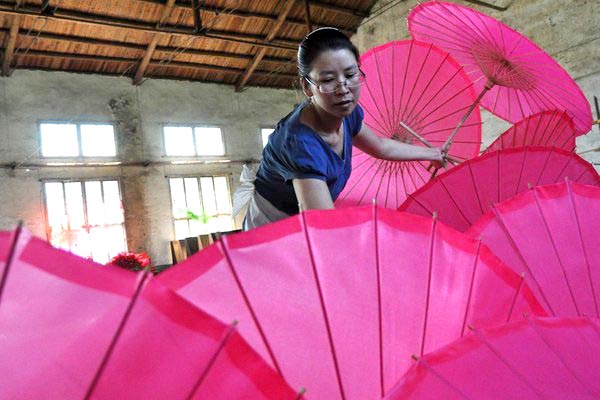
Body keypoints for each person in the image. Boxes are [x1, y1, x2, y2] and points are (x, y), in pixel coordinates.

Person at [236, 27, 445, 230]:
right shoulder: (300, 143)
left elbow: (381, 147)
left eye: (351, 74)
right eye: (328, 80)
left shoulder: (346, 113)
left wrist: (432, 153)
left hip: (310, 220)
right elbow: (326, 228)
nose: (343, 89)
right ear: (307, 87)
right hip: (273, 225)